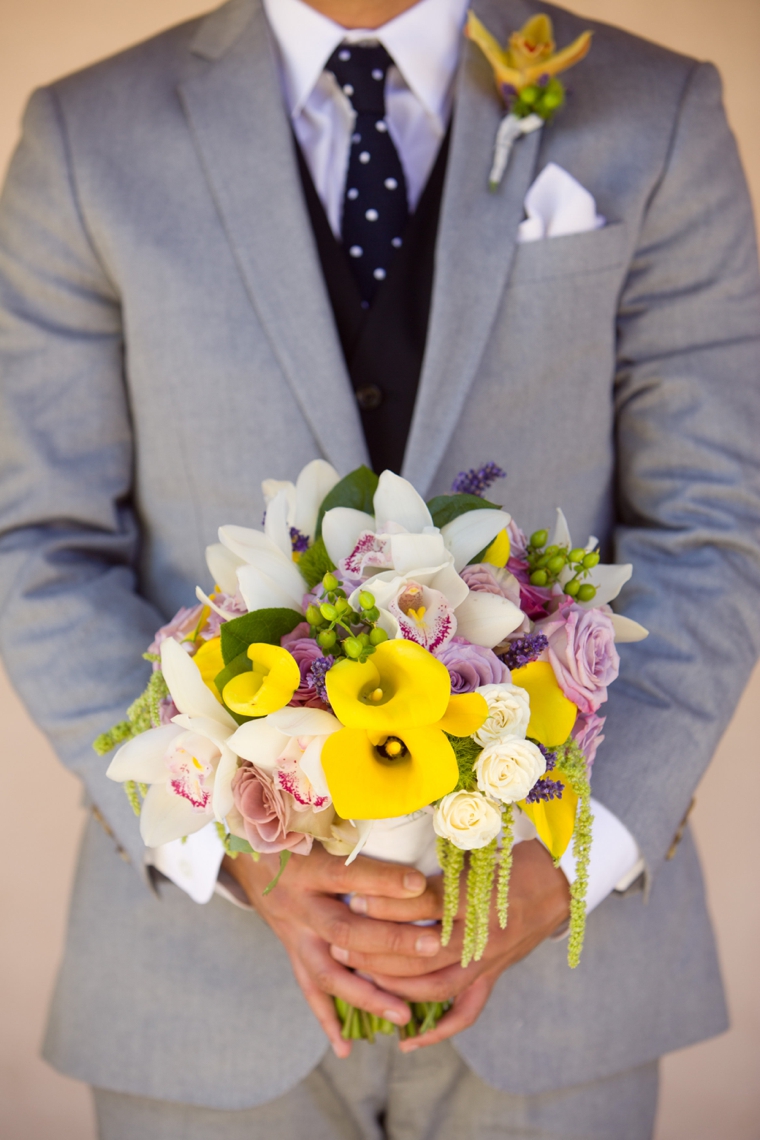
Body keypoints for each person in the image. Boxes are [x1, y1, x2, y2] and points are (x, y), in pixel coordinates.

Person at [0, 0, 758, 1136]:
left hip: (563, 991)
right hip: (198, 988)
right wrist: (232, 846)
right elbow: (36, 541)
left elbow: (718, 517)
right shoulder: (86, 134)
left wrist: (573, 855)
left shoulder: (657, 108)